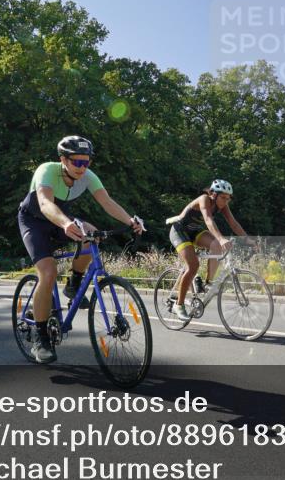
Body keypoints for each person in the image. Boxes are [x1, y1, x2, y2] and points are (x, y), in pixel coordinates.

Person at [17, 135, 144, 363]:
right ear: (63, 160)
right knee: (48, 272)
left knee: (91, 236)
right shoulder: (47, 170)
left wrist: (130, 221)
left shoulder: (88, 176)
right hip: (35, 220)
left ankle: (73, 284)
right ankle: (40, 336)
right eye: (77, 162)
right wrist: (66, 224)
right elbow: (45, 204)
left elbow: (107, 202)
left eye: (86, 162)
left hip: (61, 218)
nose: (82, 167)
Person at [165, 179, 248, 318]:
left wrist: (248, 239)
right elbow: (208, 220)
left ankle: (208, 283)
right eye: (223, 197)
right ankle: (179, 305)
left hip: (194, 231)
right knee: (193, 266)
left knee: (216, 245)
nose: (226, 201)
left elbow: (233, 224)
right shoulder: (204, 199)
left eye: (228, 198)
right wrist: (221, 238)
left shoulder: (223, 205)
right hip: (179, 231)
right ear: (214, 194)